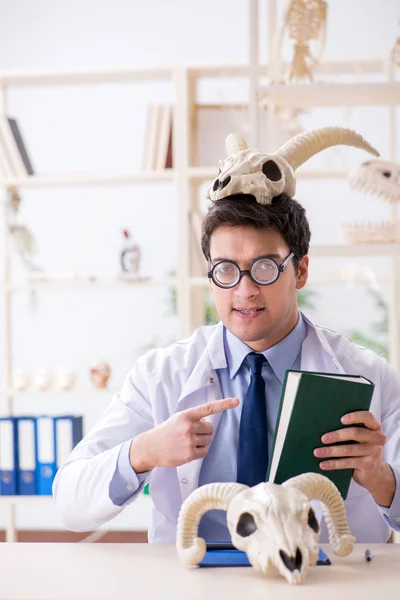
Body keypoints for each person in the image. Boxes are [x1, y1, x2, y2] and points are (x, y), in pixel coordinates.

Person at [53, 127, 400, 544]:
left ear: (301, 271)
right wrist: (143, 452)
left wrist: (381, 479)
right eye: (225, 270)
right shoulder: (160, 376)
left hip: (318, 583)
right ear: (210, 275)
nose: (245, 290)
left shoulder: (370, 376)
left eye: (266, 267)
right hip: (196, 581)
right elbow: (69, 504)